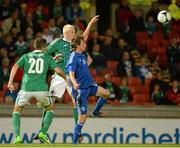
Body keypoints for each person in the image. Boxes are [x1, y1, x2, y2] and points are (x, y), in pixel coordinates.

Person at [37, 16, 99, 141]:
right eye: (73, 32)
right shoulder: (57, 43)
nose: (75, 33)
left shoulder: (75, 43)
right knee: (50, 103)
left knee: (76, 101)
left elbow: (84, 37)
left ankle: (78, 132)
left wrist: (90, 24)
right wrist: (53, 60)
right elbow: (44, 54)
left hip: (72, 77)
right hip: (60, 76)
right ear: (68, 33)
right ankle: (42, 132)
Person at [7, 38, 67, 144]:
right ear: (44, 47)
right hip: (41, 90)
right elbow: (57, 70)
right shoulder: (47, 57)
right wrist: (66, 79)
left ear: (34, 46)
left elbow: (15, 66)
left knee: (17, 110)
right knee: (50, 108)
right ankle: (43, 133)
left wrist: (10, 82)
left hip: (26, 89)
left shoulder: (26, 56)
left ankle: (17, 137)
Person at [67, 33, 111, 144]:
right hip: (81, 90)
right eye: (83, 43)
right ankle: (73, 143)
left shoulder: (82, 55)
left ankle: (95, 112)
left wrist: (85, 52)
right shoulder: (73, 57)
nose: (85, 44)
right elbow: (71, 74)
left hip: (90, 85)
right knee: (82, 118)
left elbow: (89, 61)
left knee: (106, 94)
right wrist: (75, 83)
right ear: (77, 45)